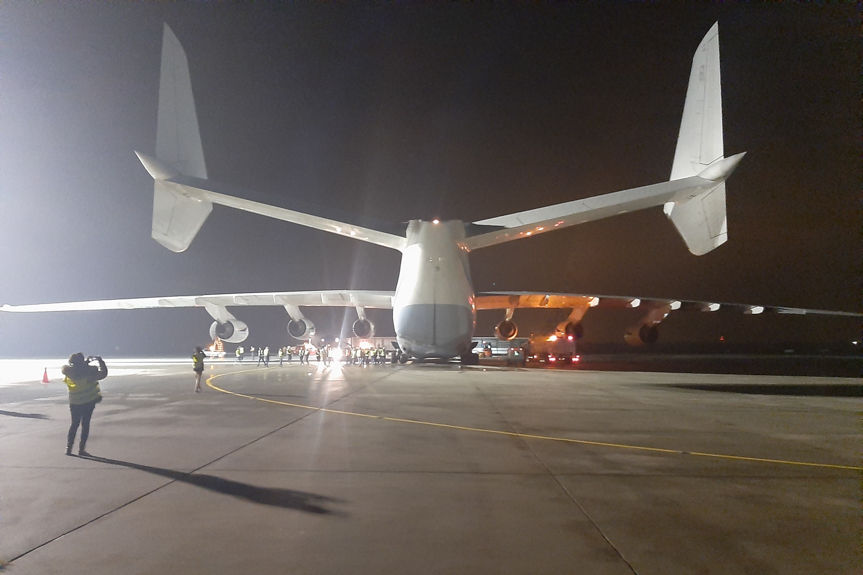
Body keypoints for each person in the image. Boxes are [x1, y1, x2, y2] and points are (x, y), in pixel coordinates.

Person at [62, 353, 107, 456]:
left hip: (74, 402)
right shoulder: (89, 373)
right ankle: (81, 449)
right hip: (87, 402)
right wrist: (100, 361)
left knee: (74, 424)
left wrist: (85, 364)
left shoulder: (69, 372)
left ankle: (69, 447)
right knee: (85, 425)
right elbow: (103, 374)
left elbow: (77, 371)